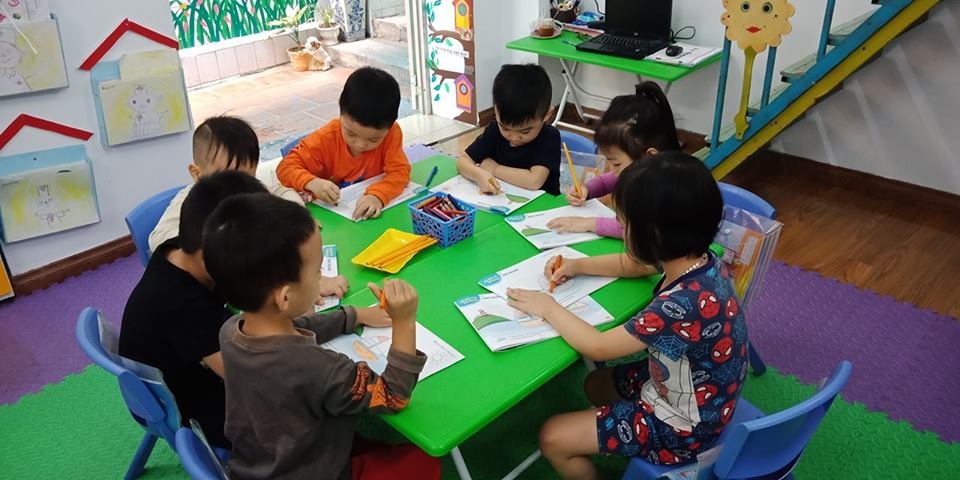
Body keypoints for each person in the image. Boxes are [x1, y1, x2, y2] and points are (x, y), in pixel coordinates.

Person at [507, 152, 749, 478]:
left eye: (624, 223)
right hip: (701, 390)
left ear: (653, 235)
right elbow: (635, 265)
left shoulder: (681, 304)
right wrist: (577, 265)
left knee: (552, 437)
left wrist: (547, 306)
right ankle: (613, 433)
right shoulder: (698, 259)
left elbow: (598, 347)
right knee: (596, 383)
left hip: (686, 428)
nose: (620, 228)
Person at [204, 192, 439, 479]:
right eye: (317, 272)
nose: (321, 278)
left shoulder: (231, 330)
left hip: (261, 462)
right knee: (427, 461)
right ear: (285, 297)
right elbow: (392, 397)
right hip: (313, 471)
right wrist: (404, 321)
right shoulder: (320, 368)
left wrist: (353, 315)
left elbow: (295, 324)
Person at [119, 171, 269, 448]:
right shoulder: (186, 307)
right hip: (189, 408)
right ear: (211, 255)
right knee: (296, 411)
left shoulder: (178, 248)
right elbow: (245, 379)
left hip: (185, 366)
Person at [149, 115, 348, 299]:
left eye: (248, 176)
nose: (238, 187)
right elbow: (158, 239)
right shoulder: (189, 202)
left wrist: (296, 217)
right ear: (197, 174)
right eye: (228, 177)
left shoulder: (246, 188)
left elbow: (281, 192)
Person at [548, 82, 681, 239]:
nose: (611, 169)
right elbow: (607, 182)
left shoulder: (665, 189)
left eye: (616, 163)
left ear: (650, 156)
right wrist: (586, 190)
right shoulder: (644, 170)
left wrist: (590, 224)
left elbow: (637, 231)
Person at [277, 67, 411, 221]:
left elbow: (400, 172)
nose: (360, 144)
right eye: (351, 133)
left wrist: (378, 196)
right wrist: (311, 182)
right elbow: (285, 168)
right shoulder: (325, 138)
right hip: (327, 218)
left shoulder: (391, 134)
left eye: (374, 140)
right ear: (341, 111)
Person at [457, 64, 561, 195]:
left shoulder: (549, 137)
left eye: (525, 131)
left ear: (547, 114)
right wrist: (479, 174)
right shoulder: (494, 130)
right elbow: (462, 162)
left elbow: (534, 181)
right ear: (495, 110)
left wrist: (494, 169)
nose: (514, 138)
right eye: (505, 128)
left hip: (543, 205)